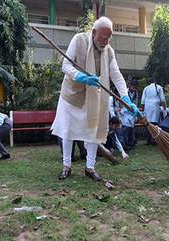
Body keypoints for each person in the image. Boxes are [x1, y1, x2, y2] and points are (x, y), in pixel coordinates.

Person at [51, 16, 139, 181]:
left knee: (93, 132)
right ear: (93, 32)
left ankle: (90, 168)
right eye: (103, 38)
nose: (105, 42)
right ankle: (66, 165)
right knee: (67, 131)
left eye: (108, 38)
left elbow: (116, 76)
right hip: (71, 94)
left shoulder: (108, 51)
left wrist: (126, 98)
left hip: (93, 97)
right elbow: (66, 65)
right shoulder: (79, 40)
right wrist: (81, 77)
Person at [141, 78, 166, 145]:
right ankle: (154, 140)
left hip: (147, 107)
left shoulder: (146, 88)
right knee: (155, 124)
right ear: (154, 82)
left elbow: (143, 101)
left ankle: (148, 140)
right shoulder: (159, 87)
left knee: (147, 124)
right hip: (155, 107)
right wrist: (164, 109)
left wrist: (142, 111)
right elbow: (163, 100)